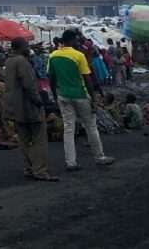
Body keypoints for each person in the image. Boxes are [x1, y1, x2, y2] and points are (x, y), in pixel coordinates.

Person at [48, 30, 115, 171]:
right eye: (76, 40)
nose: (78, 42)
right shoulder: (79, 55)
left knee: (68, 129)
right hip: (80, 95)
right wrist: (93, 98)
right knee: (91, 126)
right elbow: (87, 79)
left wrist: (55, 96)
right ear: (72, 40)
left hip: (63, 95)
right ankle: (99, 157)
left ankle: (71, 162)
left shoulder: (53, 55)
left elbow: (51, 79)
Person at [4, 38, 57, 182]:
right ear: (21, 47)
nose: (28, 48)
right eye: (26, 46)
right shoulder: (22, 62)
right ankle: (40, 170)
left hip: (16, 108)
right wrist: (39, 102)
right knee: (39, 139)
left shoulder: (9, 61)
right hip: (29, 107)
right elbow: (29, 85)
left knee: (24, 140)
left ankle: (29, 167)